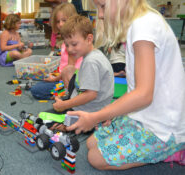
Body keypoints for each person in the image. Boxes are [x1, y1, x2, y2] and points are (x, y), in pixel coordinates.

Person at [66, 0, 185, 171]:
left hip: (164, 128)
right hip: (143, 115)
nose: (100, 14)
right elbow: (137, 89)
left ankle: (172, 150)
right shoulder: (139, 24)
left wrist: (96, 116)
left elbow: (143, 95)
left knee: (95, 158)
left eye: (102, 6)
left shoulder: (143, 26)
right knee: (92, 142)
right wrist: (113, 112)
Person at [47, 15, 114, 130]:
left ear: (89, 39)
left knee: (47, 121)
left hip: (90, 109)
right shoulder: (94, 54)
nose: (69, 49)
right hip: (100, 104)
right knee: (68, 69)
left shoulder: (91, 62)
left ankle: (91, 123)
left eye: (74, 44)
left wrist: (65, 105)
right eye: (67, 45)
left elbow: (91, 94)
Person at [31, 3, 83, 100]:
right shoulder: (67, 38)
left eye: (64, 20)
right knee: (41, 82)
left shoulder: (71, 42)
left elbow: (70, 70)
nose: (60, 24)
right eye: (58, 21)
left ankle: (66, 94)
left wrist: (55, 78)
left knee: (35, 90)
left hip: (70, 80)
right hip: (62, 77)